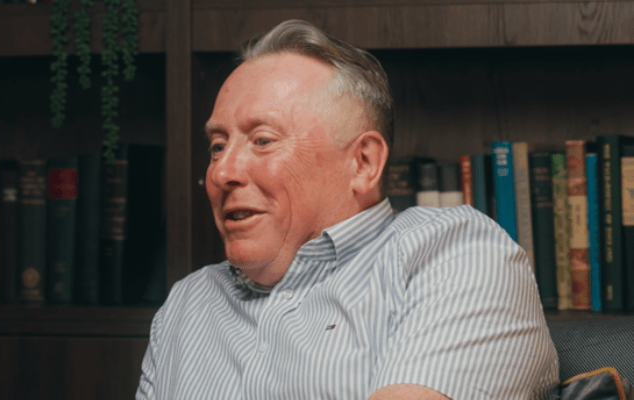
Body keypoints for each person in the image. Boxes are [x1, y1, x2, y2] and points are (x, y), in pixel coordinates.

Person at [136, 19, 559, 400]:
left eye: (263, 140)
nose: (221, 171)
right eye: (217, 146)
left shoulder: (451, 253)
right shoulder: (187, 303)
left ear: (363, 163)